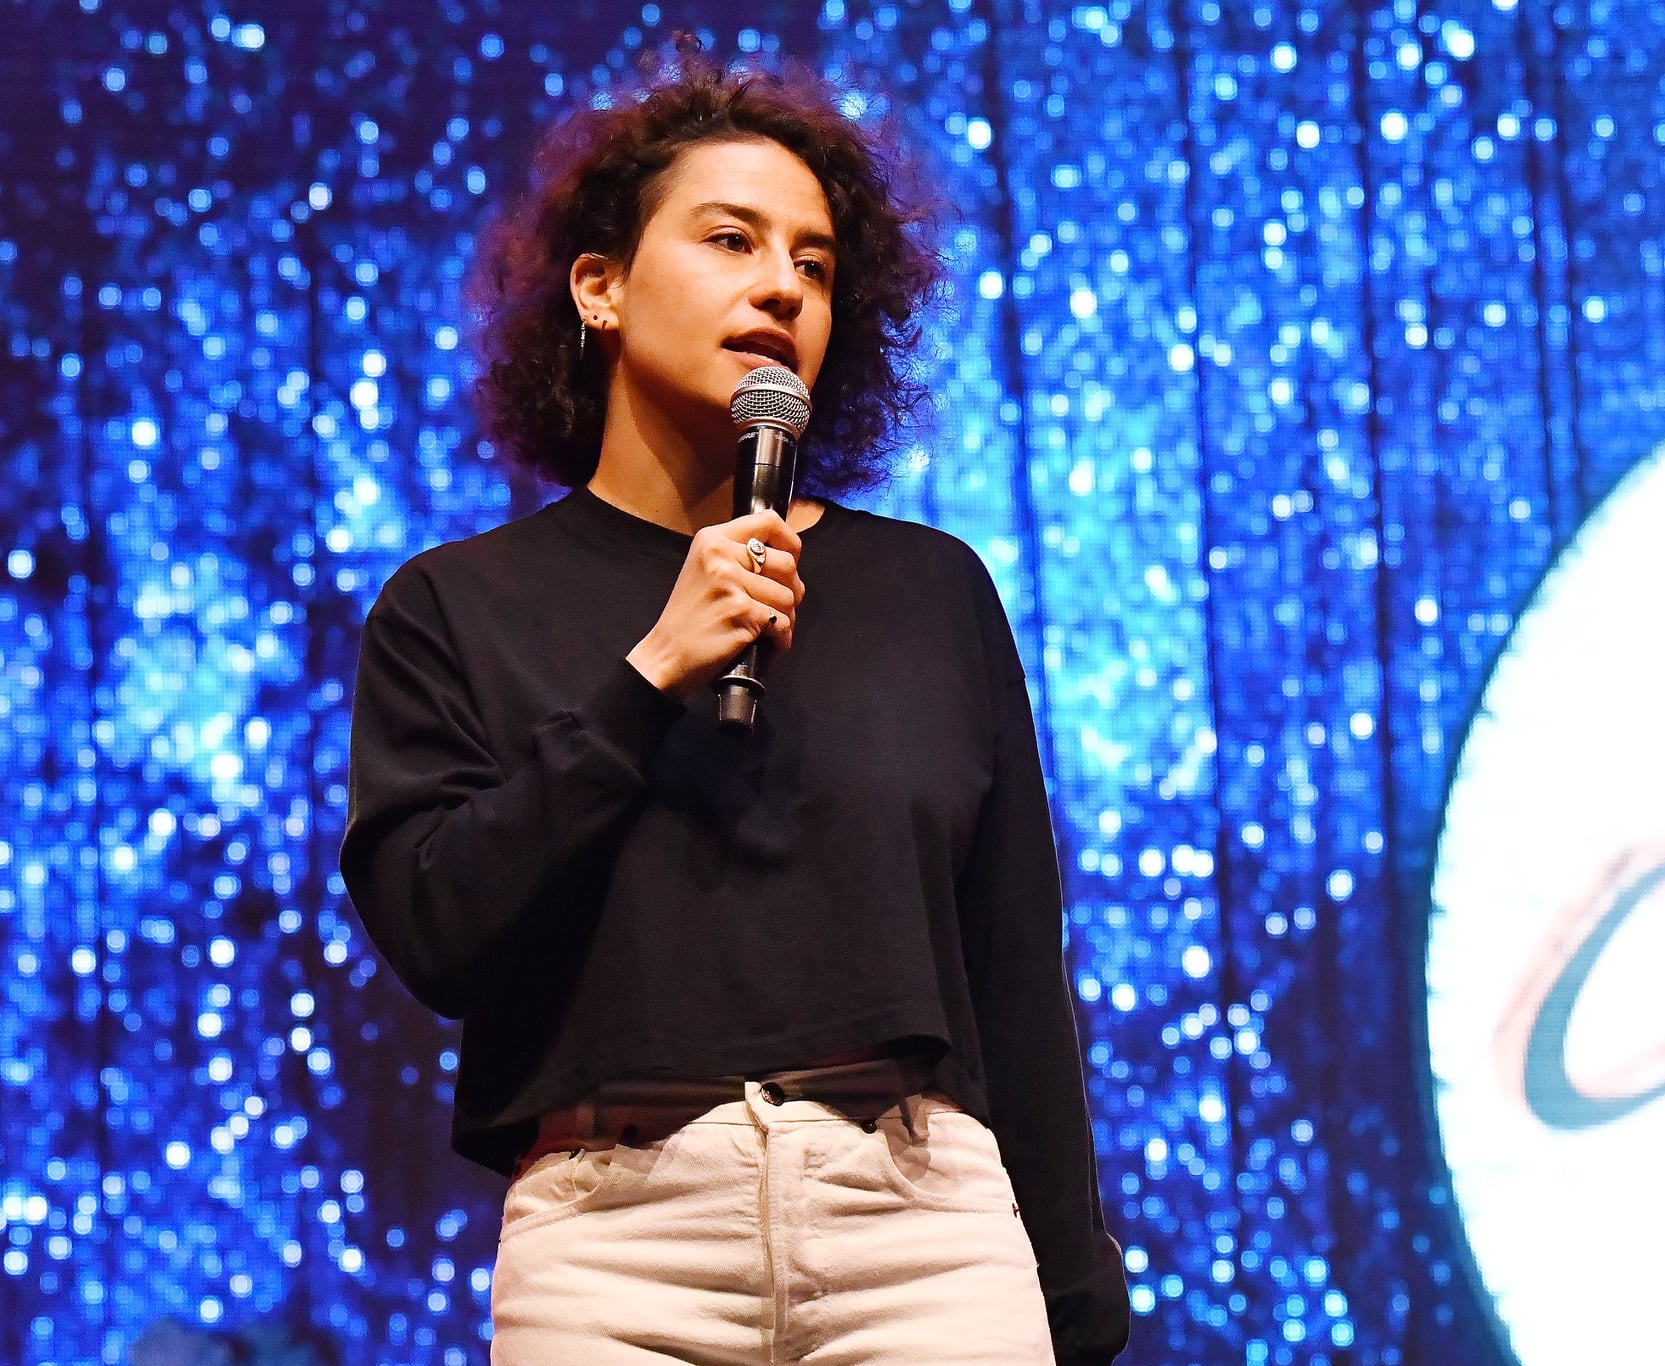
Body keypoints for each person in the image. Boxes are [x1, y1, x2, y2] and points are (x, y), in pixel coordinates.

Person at [340, 49, 1130, 1366]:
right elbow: (439, 930)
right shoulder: (456, 606)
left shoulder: (928, 591)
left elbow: (1011, 968)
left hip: (923, 1232)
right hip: (616, 1247)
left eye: (814, 265)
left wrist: (1074, 1290)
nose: (779, 284)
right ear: (601, 286)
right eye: (731, 239)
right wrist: (647, 679)